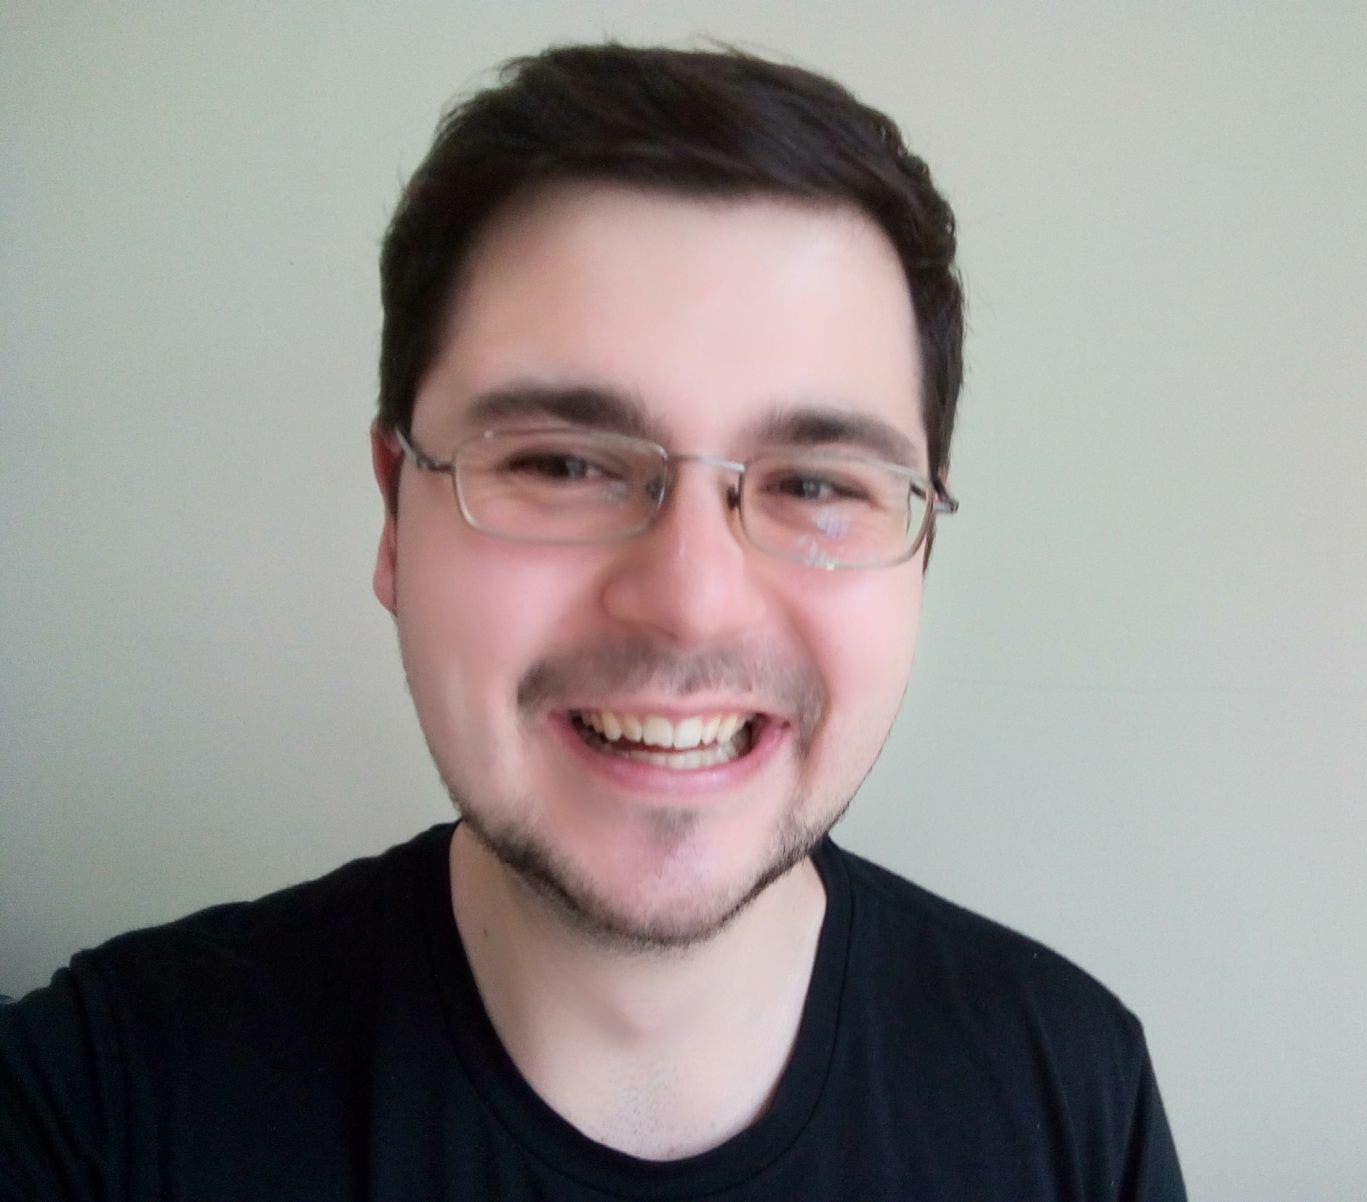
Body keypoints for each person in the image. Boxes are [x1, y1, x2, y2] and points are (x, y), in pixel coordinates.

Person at [1, 44, 1186, 1200]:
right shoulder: (95, 1107)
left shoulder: (1073, 1099)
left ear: (920, 547)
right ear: (395, 516)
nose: (690, 602)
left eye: (817, 483)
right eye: (563, 463)